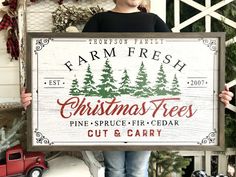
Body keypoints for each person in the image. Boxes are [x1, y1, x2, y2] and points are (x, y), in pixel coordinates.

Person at [21, 0, 234, 177]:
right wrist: (36, 95)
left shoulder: (153, 21)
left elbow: (182, 63)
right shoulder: (99, 21)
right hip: (107, 116)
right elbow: (70, 67)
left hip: (146, 115)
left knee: (138, 169)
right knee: (114, 170)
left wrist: (214, 90)